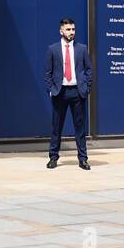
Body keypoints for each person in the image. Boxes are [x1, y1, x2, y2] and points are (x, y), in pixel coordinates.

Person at [45, 17, 92, 170]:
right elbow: (48, 73)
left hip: (77, 93)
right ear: (61, 31)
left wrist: (86, 87)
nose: (71, 32)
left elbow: (89, 70)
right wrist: (52, 90)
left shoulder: (82, 48)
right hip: (60, 93)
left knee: (80, 128)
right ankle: (53, 157)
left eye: (73, 29)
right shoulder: (53, 49)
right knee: (56, 127)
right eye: (68, 29)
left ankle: (83, 159)